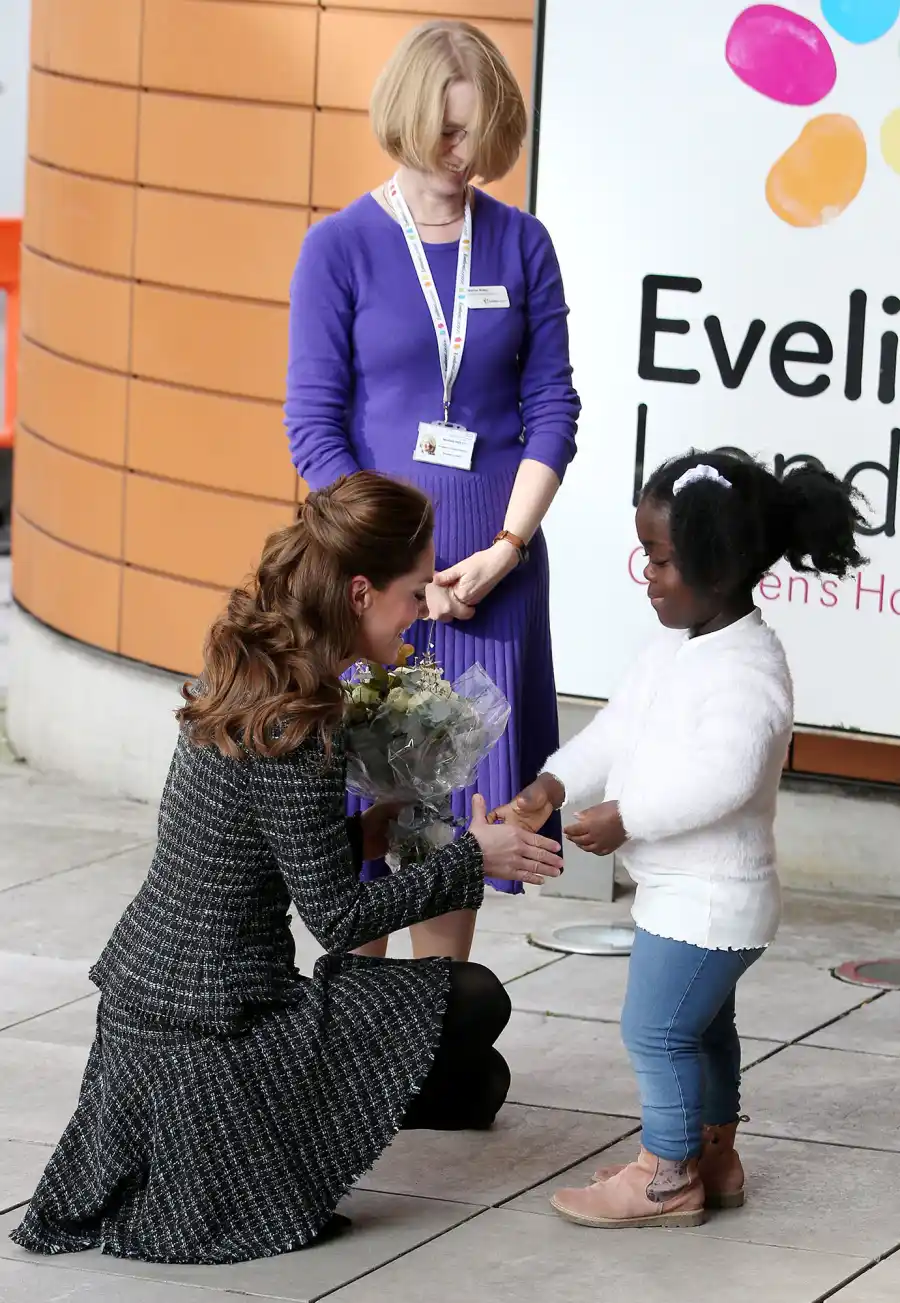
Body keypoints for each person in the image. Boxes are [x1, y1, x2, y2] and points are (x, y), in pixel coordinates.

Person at [10, 473, 563, 1266]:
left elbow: (253, 849)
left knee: (477, 1076)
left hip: (145, 1011)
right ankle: (282, 1139)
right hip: (216, 1034)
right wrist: (476, 857)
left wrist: (368, 834)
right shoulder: (302, 720)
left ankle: (350, 1112)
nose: (425, 610)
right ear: (362, 592)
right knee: (475, 1009)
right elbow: (336, 923)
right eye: (416, 592)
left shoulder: (251, 665)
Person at [493, 451, 866, 1230]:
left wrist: (629, 815)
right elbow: (618, 726)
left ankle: (665, 1172)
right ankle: (713, 1154)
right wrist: (553, 785)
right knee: (703, 1027)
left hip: (713, 900)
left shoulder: (747, 669)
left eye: (661, 560)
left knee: (656, 1027)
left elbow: (725, 776)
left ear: (719, 569)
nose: (649, 576)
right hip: (693, 898)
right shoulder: (679, 646)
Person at [284, 19, 580, 964]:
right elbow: (312, 426)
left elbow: (553, 406)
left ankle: (428, 1034)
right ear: (408, 120)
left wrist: (505, 548)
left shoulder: (523, 245)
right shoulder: (341, 247)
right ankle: (350, 1033)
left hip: (494, 576)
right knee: (361, 813)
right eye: (450, 132)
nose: (466, 156)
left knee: (456, 817)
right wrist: (400, 569)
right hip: (372, 585)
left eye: (482, 133)